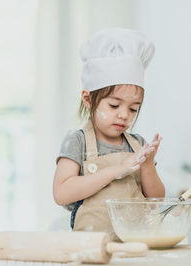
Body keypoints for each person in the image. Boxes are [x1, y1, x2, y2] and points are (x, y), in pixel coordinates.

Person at [53, 28, 165, 240]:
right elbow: (61, 193)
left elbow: (156, 199)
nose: (124, 115)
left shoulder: (136, 144)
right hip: (89, 246)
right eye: (114, 105)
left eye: (133, 109)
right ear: (88, 99)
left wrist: (148, 165)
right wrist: (116, 170)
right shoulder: (78, 142)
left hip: (135, 244)